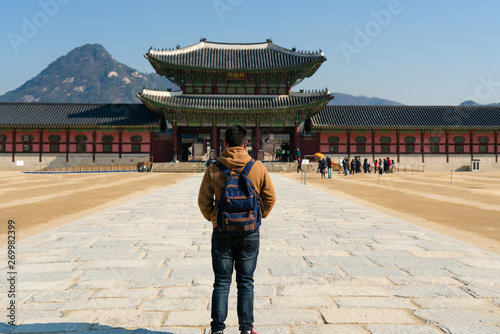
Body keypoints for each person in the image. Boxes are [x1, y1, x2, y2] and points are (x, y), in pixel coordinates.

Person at [198, 125, 276, 334]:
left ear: (224, 143)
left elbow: (203, 201)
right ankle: (246, 329)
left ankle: (217, 329)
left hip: (222, 231)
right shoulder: (257, 167)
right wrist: (259, 216)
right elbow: (270, 198)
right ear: (245, 144)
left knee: (221, 282)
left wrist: (214, 219)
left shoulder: (214, 168)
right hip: (250, 232)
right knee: (246, 282)